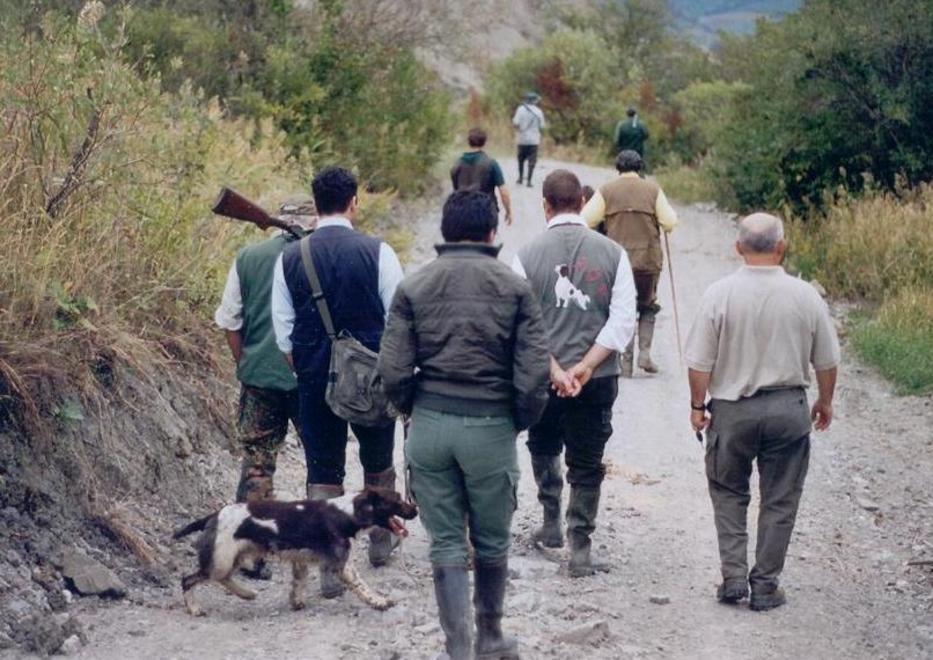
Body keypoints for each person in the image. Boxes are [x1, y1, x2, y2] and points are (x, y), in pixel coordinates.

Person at [378, 190, 550, 660]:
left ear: (445, 230)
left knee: (447, 541)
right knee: (492, 538)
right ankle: (490, 636)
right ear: (493, 231)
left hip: (430, 427)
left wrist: (414, 408)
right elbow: (534, 374)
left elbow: (392, 369)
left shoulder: (414, 286)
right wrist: (517, 421)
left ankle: (459, 648)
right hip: (490, 426)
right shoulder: (515, 289)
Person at [685, 213, 840, 612]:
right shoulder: (806, 296)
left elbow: (699, 362)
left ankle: (734, 576)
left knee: (728, 491)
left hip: (733, 411)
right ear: (781, 246)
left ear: (738, 247)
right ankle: (766, 585)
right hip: (788, 409)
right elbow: (826, 359)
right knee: (780, 498)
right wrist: (824, 400)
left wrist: (698, 406)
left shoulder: (719, 294)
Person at [271, 167, 405, 596]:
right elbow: (400, 321)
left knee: (323, 469)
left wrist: (310, 368)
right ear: (354, 203)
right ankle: (381, 541)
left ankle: (330, 567)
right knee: (378, 460)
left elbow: (283, 332)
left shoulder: (290, 256)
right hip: (372, 378)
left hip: (314, 380)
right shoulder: (379, 252)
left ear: (314, 206)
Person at [512, 170, 637, 578]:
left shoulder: (526, 255)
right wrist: (584, 367)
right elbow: (622, 322)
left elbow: (520, 324)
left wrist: (555, 369)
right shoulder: (614, 254)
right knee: (588, 458)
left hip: (541, 377)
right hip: (597, 378)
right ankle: (580, 549)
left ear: (545, 204)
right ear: (582, 202)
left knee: (542, 442)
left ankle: (550, 524)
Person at [214, 197, 316, 579]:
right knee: (320, 463)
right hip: (310, 378)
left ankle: (251, 555)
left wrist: (247, 364)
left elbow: (230, 320)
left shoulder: (248, 257)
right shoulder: (316, 255)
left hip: (259, 378)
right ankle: (315, 547)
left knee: (257, 463)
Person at [582, 150, 678, 377]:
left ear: (618, 168)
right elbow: (670, 222)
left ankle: (626, 362)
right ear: (640, 167)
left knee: (623, 307)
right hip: (648, 260)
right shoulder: (653, 190)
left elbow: (586, 219)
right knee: (647, 304)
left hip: (618, 261)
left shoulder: (607, 190)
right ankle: (645, 353)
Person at [451, 127, 513, 226]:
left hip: (462, 212)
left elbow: (455, 190)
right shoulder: (491, 164)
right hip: (485, 212)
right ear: (484, 142)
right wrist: (508, 211)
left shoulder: (457, 165)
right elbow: (503, 192)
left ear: (469, 142)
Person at [512, 91, 545, 187]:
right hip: (534, 140)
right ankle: (529, 181)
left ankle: (520, 178)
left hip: (522, 139)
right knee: (532, 161)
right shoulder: (539, 112)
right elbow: (542, 126)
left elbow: (515, 123)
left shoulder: (520, 109)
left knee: (521, 159)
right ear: (535, 101)